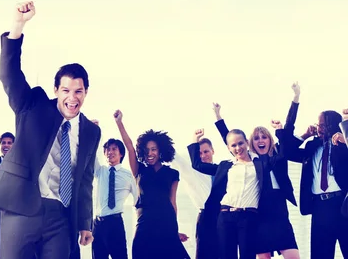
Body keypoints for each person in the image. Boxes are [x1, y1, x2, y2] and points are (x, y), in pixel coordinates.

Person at [0, 1, 101, 259]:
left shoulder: (91, 132)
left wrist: (85, 222)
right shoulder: (32, 106)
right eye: (66, 91)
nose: (73, 98)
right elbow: (9, 74)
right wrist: (18, 26)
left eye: (79, 91)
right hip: (21, 207)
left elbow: (84, 180)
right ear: (56, 91)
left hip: (61, 216)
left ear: (86, 93)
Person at [213, 84, 300, 259]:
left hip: (280, 216)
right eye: (257, 138)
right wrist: (218, 117)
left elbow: (289, 129)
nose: (261, 140)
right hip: (259, 217)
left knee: (293, 256)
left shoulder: (279, 156)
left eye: (264, 137)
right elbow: (230, 141)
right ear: (252, 142)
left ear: (270, 139)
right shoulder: (254, 161)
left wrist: (295, 98)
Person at [277, 89, 348, 259]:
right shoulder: (312, 147)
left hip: (343, 205)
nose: (319, 128)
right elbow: (286, 151)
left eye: (323, 124)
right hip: (319, 207)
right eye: (318, 124)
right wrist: (304, 135)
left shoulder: (343, 145)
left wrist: (346, 133)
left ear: (334, 125)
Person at [190, 127, 278, 259]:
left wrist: (280, 131)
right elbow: (197, 165)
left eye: (241, 143)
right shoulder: (225, 165)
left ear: (247, 142)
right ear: (228, 148)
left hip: (249, 216)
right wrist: (195, 140)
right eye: (233, 145)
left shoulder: (261, 163)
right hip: (225, 216)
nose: (238, 148)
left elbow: (281, 155)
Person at [115, 110, 190, 259]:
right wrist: (119, 123)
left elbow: (172, 202)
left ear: (160, 150)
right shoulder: (139, 170)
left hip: (166, 223)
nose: (150, 153)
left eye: (153, 149)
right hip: (144, 222)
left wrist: (175, 230)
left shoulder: (172, 174)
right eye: (147, 150)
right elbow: (129, 147)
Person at [91, 129, 138, 259]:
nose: (110, 152)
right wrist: (94, 133)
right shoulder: (100, 171)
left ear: (121, 153)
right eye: (107, 150)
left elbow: (137, 201)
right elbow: (91, 154)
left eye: (113, 149)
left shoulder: (128, 176)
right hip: (98, 226)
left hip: (115, 224)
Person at [179, 131, 218, 259]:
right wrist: (194, 140)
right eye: (200, 153)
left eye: (206, 151)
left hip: (224, 217)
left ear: (213, 151)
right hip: (206, 219)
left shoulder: (221, 169)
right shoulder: (192, 172)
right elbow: (175, 159)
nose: (203, 156)